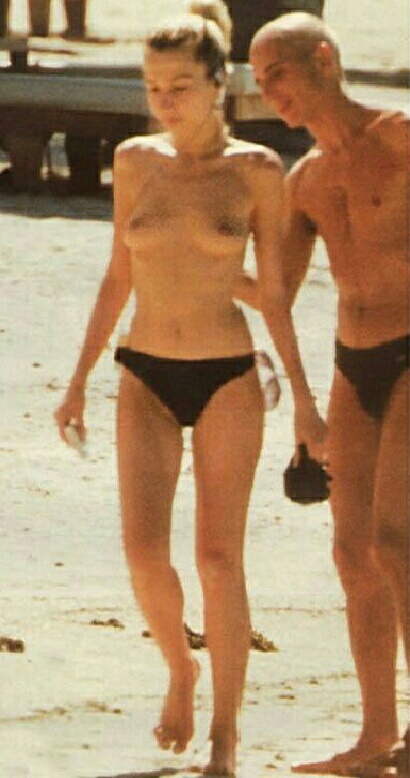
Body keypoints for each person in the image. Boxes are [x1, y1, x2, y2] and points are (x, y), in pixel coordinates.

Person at [54, 2, 326, 774]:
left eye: (179, 86)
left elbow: (275, 298)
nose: (164, 100)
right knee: (144, 554)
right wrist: (78, 380)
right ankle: (181, 666)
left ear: (218, 85)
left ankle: (225, 735)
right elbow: (118, 275)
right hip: (142, 370)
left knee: (217, 558)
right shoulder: (135, 161)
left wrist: (305, 403)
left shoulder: (258, 171)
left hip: (228, 376)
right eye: (152, 87)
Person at [248, 12, 409, 777]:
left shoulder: (401, 137)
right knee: (352, 552)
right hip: (355, 362)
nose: (268, 90)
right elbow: (275, 295)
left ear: (323, 58)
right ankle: (377, 736)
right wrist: (304, 406)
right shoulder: (305, 180)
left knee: (396, 538)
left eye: (277, 71)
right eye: (259, 79)